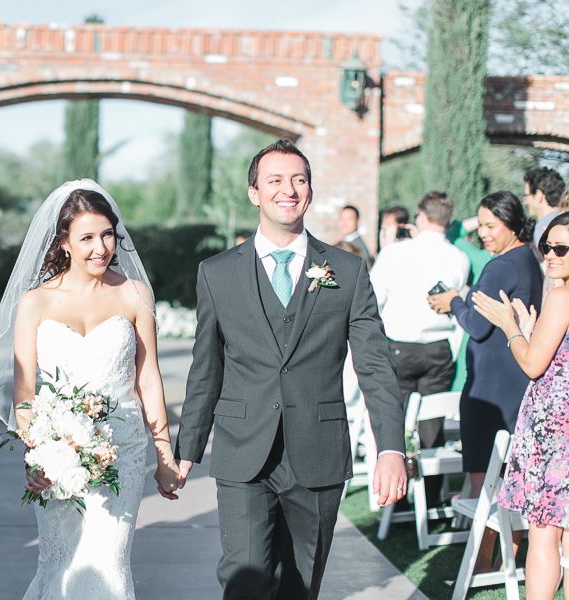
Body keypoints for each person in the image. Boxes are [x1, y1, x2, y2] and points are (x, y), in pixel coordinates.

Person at [175, 139, 407, 599]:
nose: (289, 189)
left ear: (310, 190)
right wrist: (187, 449)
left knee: (300, 588)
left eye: (299, 179)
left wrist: (391, 449)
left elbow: (376, 365)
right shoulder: (216, 273)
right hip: (243, 453)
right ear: (254, 193)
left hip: (318, 453)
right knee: (244, 581)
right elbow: (207, 367)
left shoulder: (347, 271)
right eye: (275, 180)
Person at [0, 180, 178, 599]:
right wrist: (39, 454)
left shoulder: (135, 295)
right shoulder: (35, 303)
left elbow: (149, 379)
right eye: (87, 238)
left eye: (107, 235)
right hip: (58, 456)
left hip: (123, 449)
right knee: (62, 562)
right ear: (64, 242)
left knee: (110, 560)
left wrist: (165, 456)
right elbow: (24, 390)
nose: (100, 248)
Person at [472, 211, 569, 600]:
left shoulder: (561, 296)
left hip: (554, 427)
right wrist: (532, 331)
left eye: (562, 249)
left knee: (544, 530)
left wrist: (509, 324)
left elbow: (532, 365)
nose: (550, 255)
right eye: (546, 246)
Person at [428, 191, 542, 499]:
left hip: (489, 387)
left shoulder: (501, 266)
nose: (483, 233)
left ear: (511, 223)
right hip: (515, 378)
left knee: (483, 481)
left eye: (491, 226)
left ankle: (479, 531)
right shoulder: (529, 258)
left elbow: (477, 327)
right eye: (480, 226)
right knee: (509, 477)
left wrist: (453, 301)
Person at [371, 191, 470, 504]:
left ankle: (395, 494)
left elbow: (374, 299)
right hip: (439, 348)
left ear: (422, 216)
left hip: (399, 347)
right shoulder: (459, 258)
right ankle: (430, 496)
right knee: (431, 423)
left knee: (393, 419)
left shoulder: (395, 253)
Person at [523, 167, 566, 248]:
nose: (525, 202)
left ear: (538, 195)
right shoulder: (565, 222)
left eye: (527, 196)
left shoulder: (542, 229)